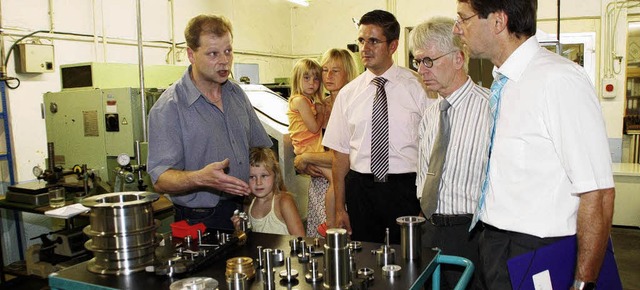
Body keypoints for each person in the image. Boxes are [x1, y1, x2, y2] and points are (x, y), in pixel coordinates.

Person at [454, 1, 616, 289]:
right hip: (493, 243)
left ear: (498, 22)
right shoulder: (503, 82)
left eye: (463, 19)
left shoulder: (559, 80)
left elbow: (598, 191)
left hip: (538, 250)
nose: (457, 29)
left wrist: (583, 284)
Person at [147, 14, 272, 231]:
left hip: (240, 210)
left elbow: (259, 150)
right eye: (213, 53)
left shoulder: (236, 94)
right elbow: (160, 179)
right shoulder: (170, 107)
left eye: (228, 51)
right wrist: (200, 178)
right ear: (191, 55)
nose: (224, 61)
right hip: (198, 220)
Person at [323, 10, 433, 244]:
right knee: (364, 261)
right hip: (361, 190)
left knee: (408, 263)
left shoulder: (419, 88)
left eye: (373, 41)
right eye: (361, 41)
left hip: (405, 190)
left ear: (393, 46)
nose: (365, 48)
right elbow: (340, 155)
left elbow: (433, 150)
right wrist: (340, 208)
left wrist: (426, 205)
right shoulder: (348, 94)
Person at [409, 17, 489, 289]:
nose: (421, 69)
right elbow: (424, 172)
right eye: (417, 62)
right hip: (429, 231)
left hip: (473, 235)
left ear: (458, 58)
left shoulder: (491, 109)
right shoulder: (430, 114)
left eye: (428, 60)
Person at [293, 49, 358, 238]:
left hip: (342, 188)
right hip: (317, 186)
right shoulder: (317, 105)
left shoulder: (354, 107)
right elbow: (301, 137)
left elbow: (346, 157)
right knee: (319, 250)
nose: (328, 76)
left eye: (335, 71)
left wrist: (304, 158)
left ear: (348, 73)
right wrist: (302, 162)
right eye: (325, 70)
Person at [231, 148, 305, 236]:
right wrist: (240, 229)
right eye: (252, 177)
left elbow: (300, 239)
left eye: (264, 176)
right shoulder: (249, 204)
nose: (258, 182)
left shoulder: (284, 202)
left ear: (276, 175)